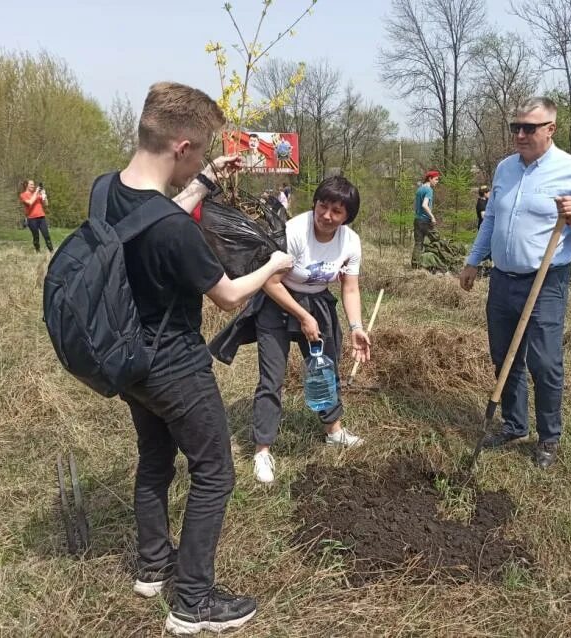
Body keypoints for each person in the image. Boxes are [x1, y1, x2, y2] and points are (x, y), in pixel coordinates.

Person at [110, 82, 293, 635]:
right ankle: (193, 599)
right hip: (176, 367)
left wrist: (207, 181)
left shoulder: (108, 192)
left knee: (155, 459)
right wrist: (274, 264)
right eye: (202, 150)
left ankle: (152, 565)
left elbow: (150, 220)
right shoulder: (175, 232)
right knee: (214, 472)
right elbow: (231, 296)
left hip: (130, 358)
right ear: (182, 146)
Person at [459, 96, 571, 470]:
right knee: (504, 355)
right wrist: (473, 260)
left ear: (550, 129)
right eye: (516, 128)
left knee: (544, 361)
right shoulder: (504, 170)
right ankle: (514, 424)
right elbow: (491, 219)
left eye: (529, 128)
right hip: (503, 279)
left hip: (546, 281)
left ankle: (549, 437)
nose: (520, 134)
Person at [208, 176, 371, 484]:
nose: (326, 215)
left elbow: (350, 289)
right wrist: (302, 316)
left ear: (347, 215)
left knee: (324, 370)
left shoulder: (350, 242)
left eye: (336, 211)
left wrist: (355, 327)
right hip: (277, 302)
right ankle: (262, 450)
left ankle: (334, 432)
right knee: (272, 379)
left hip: (318, 304)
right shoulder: (294, 231)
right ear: (315, 204)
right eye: (323, 206)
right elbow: (269, 282)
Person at [412, 170, 440, 268]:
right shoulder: (429, 190)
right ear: (430, 179)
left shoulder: (419, 189)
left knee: (418, 243)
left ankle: (415, 266)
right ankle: (437, 264)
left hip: (417, 220)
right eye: (436, 179)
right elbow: (424, 205)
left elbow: (416, 206)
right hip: (425, 221)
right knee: (437, 240)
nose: (437, 181)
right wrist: (432, 217)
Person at [19, 179, 53, 253]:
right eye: (31, 184)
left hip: (41, 217)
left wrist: (44, 196)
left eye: (33, 184)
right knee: (36, 236)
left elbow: (46, 204)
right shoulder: (23, 195)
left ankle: (51, 251)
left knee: (46, 235)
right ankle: (38, 251)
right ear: (26, 185)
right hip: (32, 219)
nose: (33, 186)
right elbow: (30, 202)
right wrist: (37, 192)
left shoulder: (37, 194)